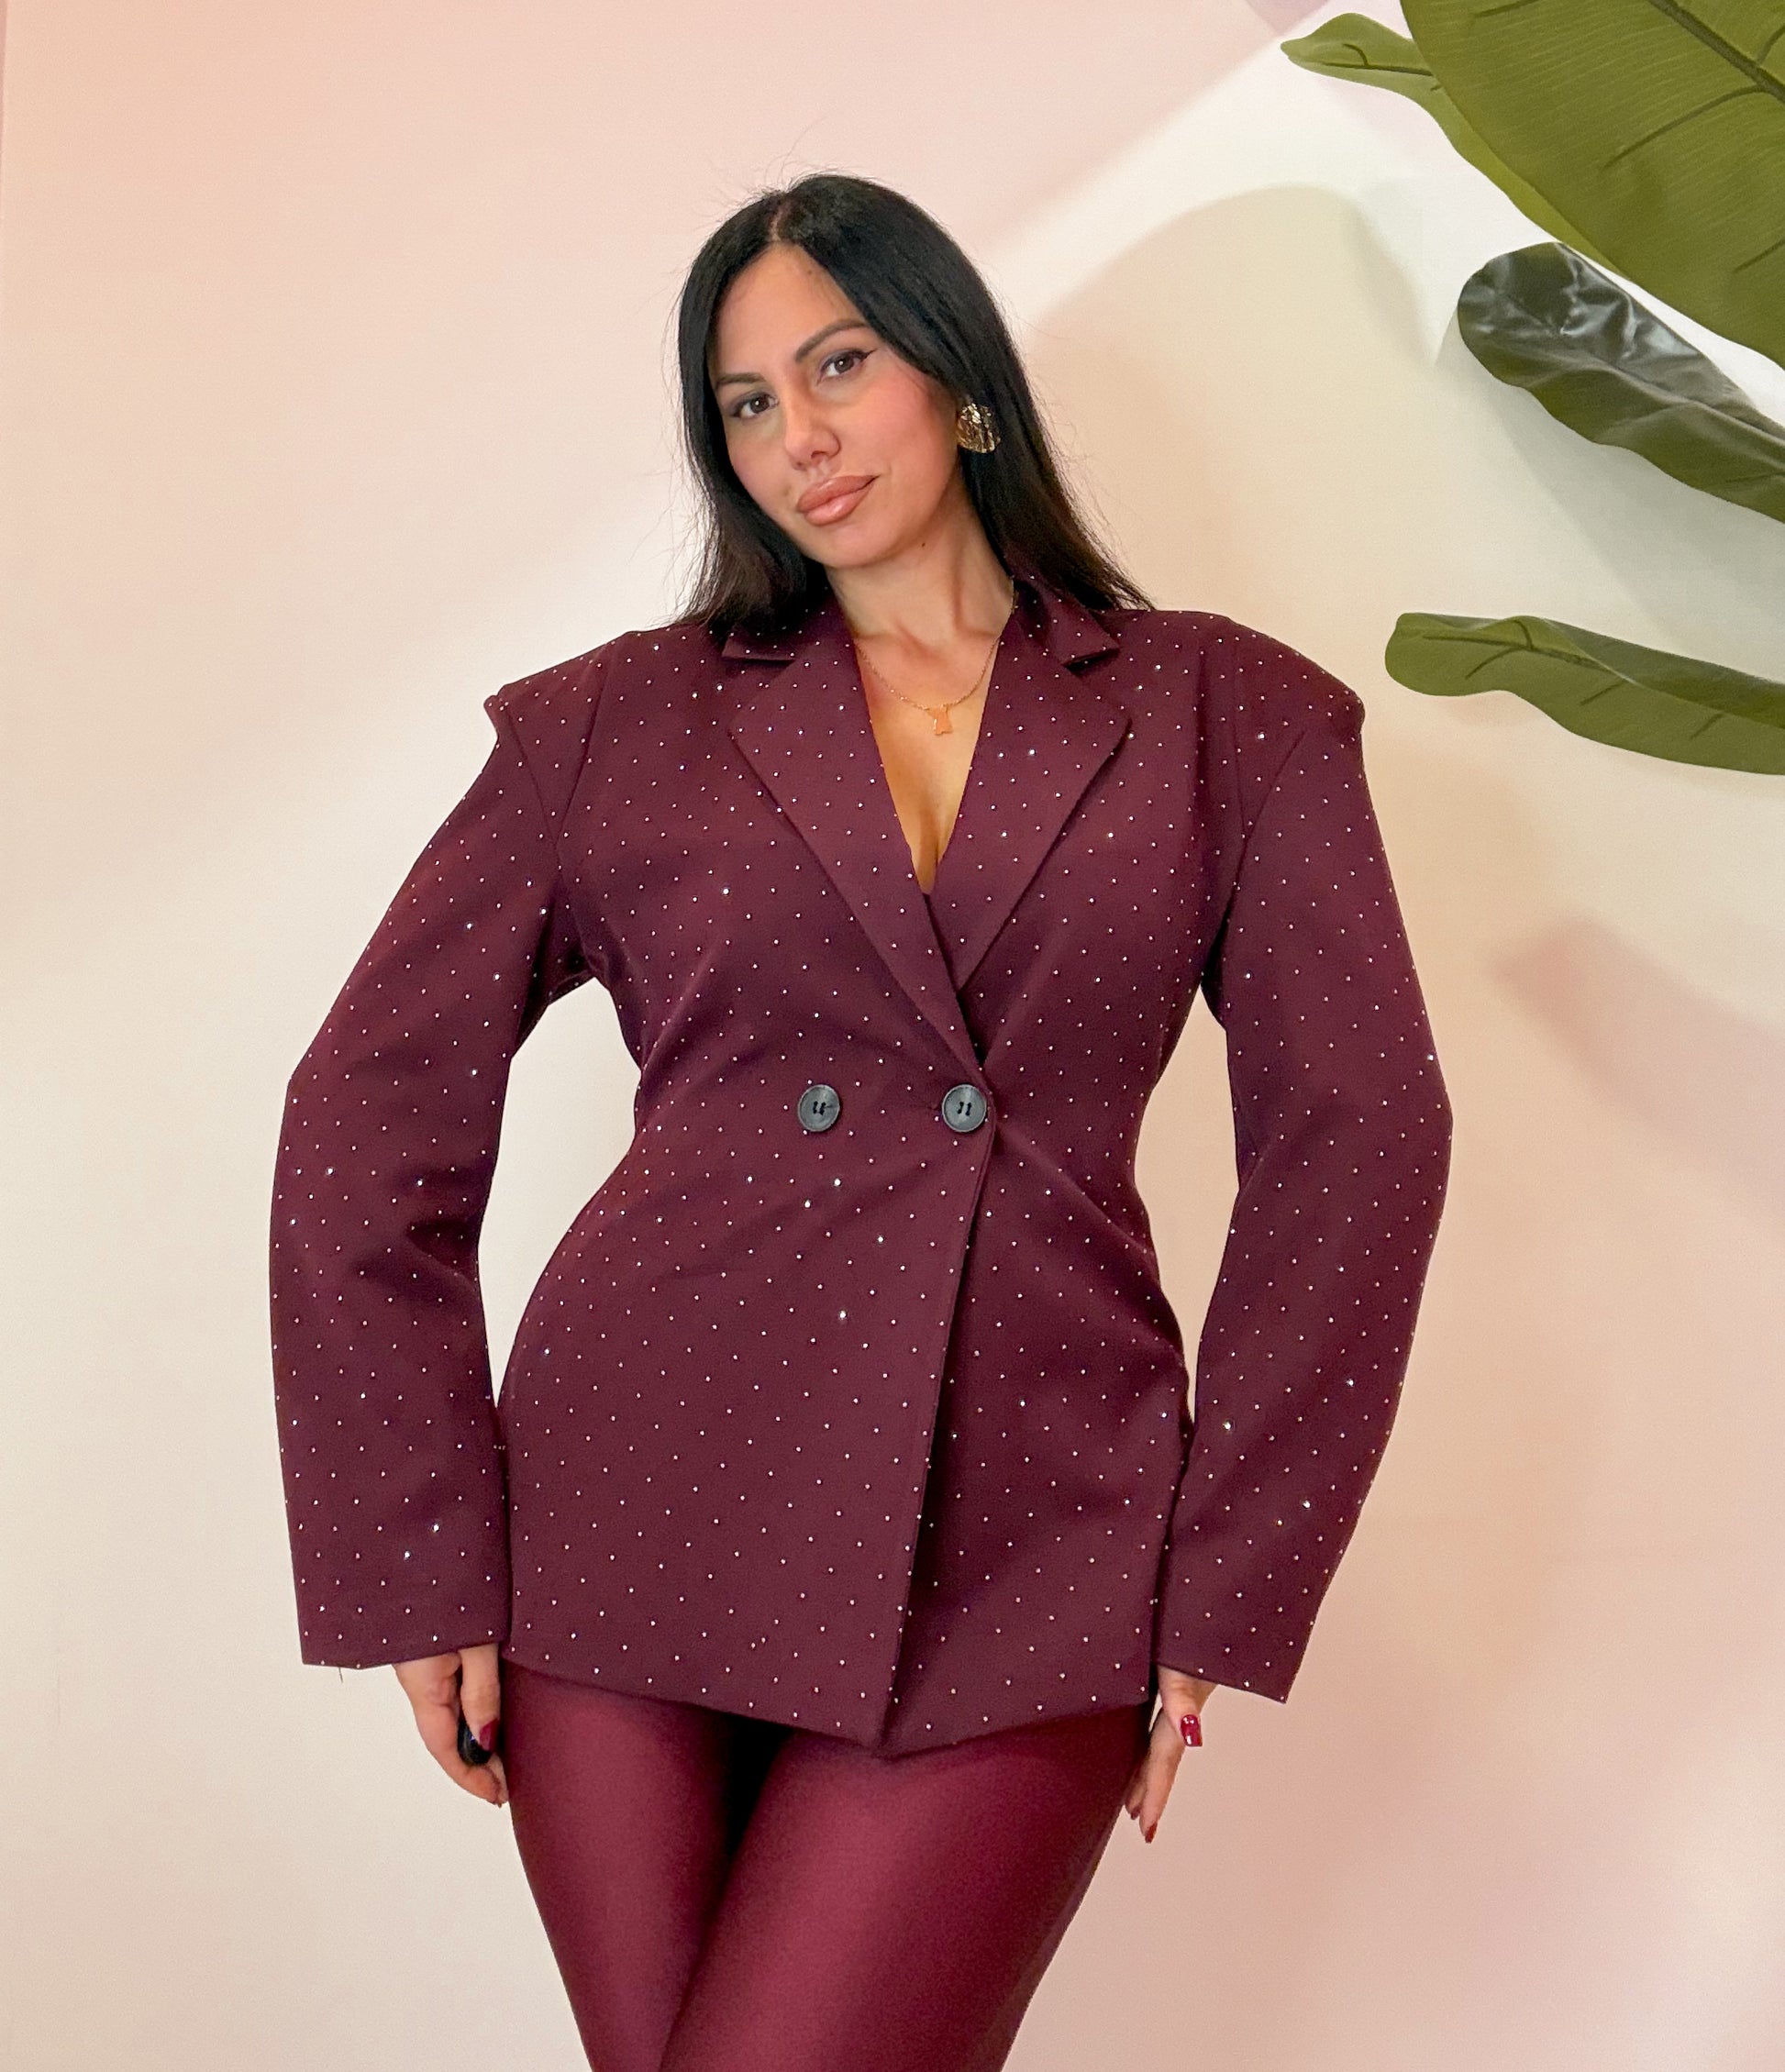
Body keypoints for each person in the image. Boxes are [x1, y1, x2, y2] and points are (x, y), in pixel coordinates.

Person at [269, 171, 1453, 2071]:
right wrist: (420, 1550)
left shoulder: (1225, 713)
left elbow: (1361, 1141)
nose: (798, 436)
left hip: (1029, 1533)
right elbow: (360, 1117)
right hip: (624, 1514)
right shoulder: (614, 724)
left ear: (958, 376)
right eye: (746, 402)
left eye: (838, 365)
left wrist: (1223, 1579)